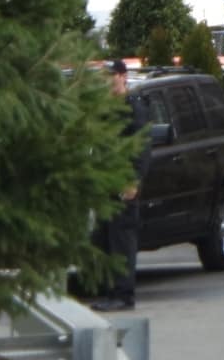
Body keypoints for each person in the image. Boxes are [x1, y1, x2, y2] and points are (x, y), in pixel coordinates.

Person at [85, 59, 148, 310]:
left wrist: (134, 180)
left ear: (123, 76)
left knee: (122, 240)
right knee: (104, 239)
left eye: (111, 75)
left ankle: (123, 295)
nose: (108, 80)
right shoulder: (104, 109)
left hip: (123, 183)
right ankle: (110, 292)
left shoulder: (134, 108)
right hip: (104, 184)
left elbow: (142, 147)